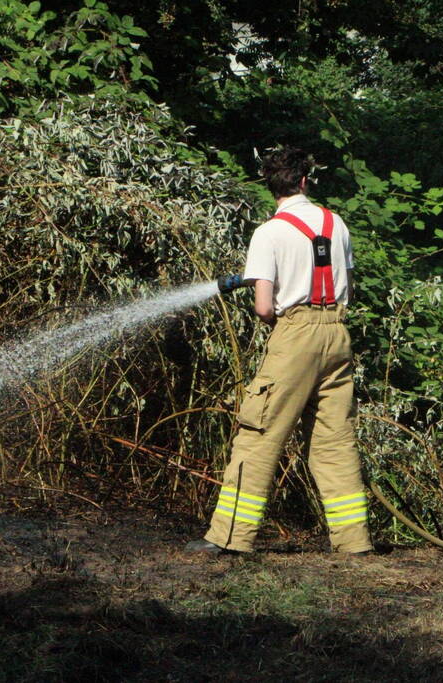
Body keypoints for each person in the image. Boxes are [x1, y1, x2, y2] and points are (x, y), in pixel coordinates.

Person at [185, 146, 373, 555]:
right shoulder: (336, 223)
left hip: (295, 336)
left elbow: (264, 307)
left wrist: (286, 326)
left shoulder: (269, 232)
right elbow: (350, 289)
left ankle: (231, 539)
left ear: (271, 185)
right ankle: (355, 544)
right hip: (337, 334)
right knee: (334, 442)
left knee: (259, 436)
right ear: (305, 181)